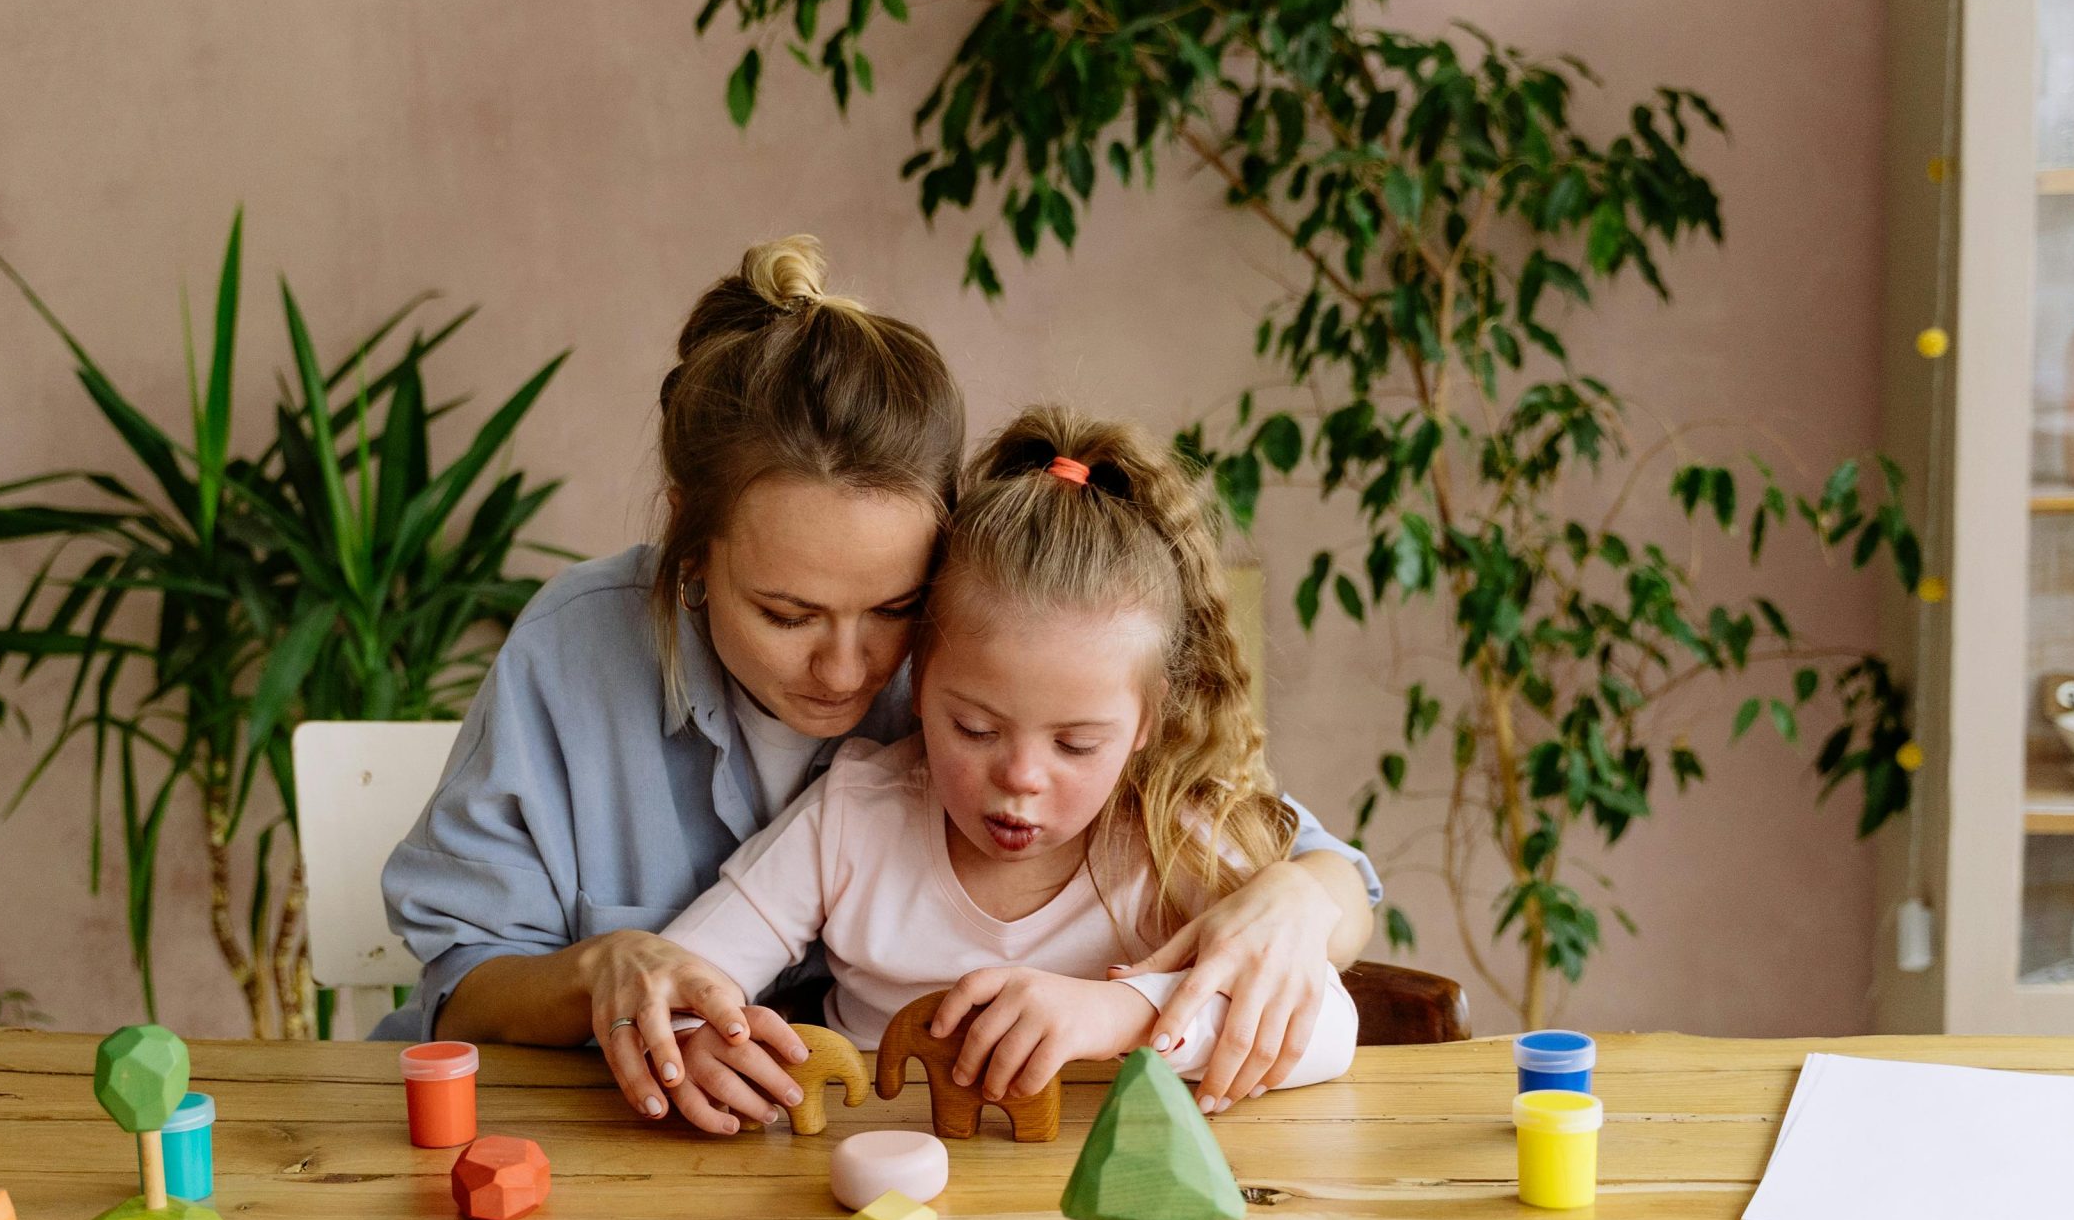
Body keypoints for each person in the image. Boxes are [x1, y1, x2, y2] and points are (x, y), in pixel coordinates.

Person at [382, 238, 1378, 1121]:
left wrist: (1293, 900)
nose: (847, 667)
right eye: (786, 613)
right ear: (691, 540)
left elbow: (1310, 869)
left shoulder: (991, 642)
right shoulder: (579, 655)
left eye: (893, 609)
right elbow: (466, 985)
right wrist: (614, 979)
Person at [650, 408, 1359, 1134]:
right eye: (976, 728)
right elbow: (677, 978)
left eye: (1076, 744)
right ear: (918, 680)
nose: (1020, 776)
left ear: (1147, 721)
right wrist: (697, 1039)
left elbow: (1330, 1028)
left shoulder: (1167, 835)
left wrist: (1118, 1012)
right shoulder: (853, 817)